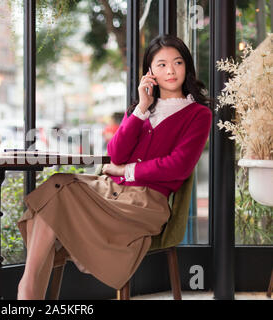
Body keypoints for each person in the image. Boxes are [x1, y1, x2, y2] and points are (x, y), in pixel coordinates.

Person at [17, 34, 213, 300]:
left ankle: (34, 288)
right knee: (57, 184)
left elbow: (178, 166)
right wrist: (141, 109)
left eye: (177, 63)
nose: (171, 70)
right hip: (109, 190)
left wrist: (126, 172)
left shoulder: (198, 114)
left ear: (187, 67)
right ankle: (35, 285)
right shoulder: (143, 109)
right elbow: (116, 153)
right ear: (150, 73)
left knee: (55, 197)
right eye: (162, 65)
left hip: (145, 203)